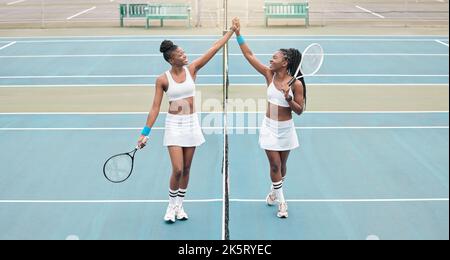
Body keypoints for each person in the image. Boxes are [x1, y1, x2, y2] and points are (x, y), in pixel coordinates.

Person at [137, 19, 239, 223]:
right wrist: (145, 133)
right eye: (180, 55)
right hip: (174, 126)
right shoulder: (163, 79)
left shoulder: (192, 69)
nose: (185, 55)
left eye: (184, 52)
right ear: (171, 60)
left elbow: (214, 48)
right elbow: (155, 107)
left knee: (188, 168)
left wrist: (231, 32)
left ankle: (180, 205)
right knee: (177, 168)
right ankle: (170, 205)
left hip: (192, 124)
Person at [234, 19, 306, 218]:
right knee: (274, 165)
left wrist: (289, 98)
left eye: (274, 58)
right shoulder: (269, 75)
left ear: (285, 62)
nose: (270, 60)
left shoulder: (296, 84)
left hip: (286, 129)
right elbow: (249, 55)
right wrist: (238, 34)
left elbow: (300, 110)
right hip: (269, 127)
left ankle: (274, 191)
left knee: (282, 168)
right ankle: (282, 203)